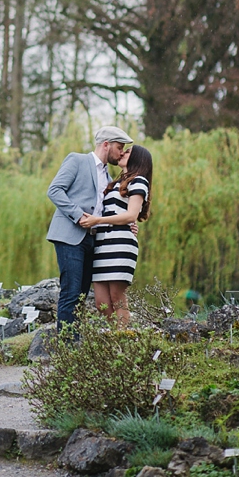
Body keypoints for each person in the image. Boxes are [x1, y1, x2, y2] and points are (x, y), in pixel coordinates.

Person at [46, 125, 133, 334]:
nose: (121, 153)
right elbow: (54, 190)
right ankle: (67, 349)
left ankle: (74, 348)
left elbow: (106, 209)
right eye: (119, 147)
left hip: (93, 240)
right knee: (71, 293)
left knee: (82, 296)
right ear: (106, 145)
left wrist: (129, 222)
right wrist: (78, 216)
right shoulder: (77, 160)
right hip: (70, 237)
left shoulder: (108, 177)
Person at [79, 144, 153, 326]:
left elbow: (131, 215)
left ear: (137, 158)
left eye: (127, 152)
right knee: (101, 302)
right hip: (103, 245)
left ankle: (122, 339)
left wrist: (97, 221)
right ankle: (117, 335)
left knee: (116, 296)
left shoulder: (139, 181)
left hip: (120, 244)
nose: (121, 153)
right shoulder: (116, 183)